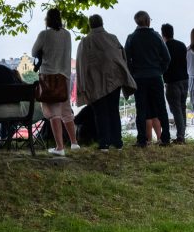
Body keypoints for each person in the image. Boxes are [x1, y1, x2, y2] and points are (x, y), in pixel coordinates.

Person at [76, 14, 136, 151]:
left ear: (90, 25)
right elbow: (122, 58)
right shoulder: (113, 38)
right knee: (114, 111)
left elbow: (81, 64)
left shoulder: (86, 41)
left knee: (100, 112)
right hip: (115, 81)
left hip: (96, 83)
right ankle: (118, 142)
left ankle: (104, 143)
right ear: (102, 23)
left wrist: (83, 86)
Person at [33, 8, 80, 156]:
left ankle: (60, 147)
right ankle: (74, 143)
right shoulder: (67, 34)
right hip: (64, 76)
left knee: (54, 113)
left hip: (49, 77)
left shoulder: (44, 34)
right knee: (66, 110)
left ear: (47, 19)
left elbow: (34, 51)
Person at [124, 10, 171, 147]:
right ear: (148, 21)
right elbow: (167, 58)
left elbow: (127, 59)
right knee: (161, 107)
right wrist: (160, 70)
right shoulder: (156, 37)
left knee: (141, 109)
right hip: (155, 76)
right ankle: (165, 137)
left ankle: (142, 139)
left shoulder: (131, 37)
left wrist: (134, 72)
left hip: (139, 77)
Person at [161, 23, 188, 144]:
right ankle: (182, 134)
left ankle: (180, 136)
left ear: (163, 34)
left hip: (172, 81)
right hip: (184, 80)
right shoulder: (182, 45)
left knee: (176, 109)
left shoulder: (164, 46)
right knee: (182, 107)